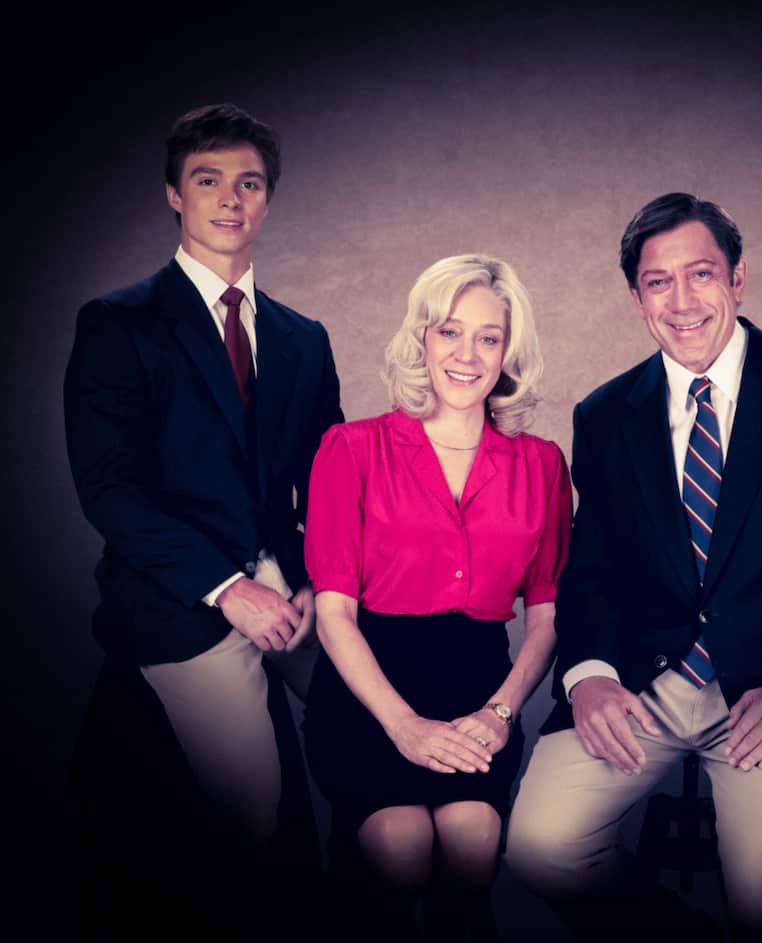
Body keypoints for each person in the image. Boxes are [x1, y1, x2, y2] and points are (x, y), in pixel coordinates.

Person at [506, 192, 762, 938]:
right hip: (639, 683)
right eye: (659, 282)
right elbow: (591, 566)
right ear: (637, 298)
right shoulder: (605, 414)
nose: (683, 300)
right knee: (539, 846)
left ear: (739, 279)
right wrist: (588, 672)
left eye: (702, 274)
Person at [63, 103, 343, 928]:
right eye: (208, 180)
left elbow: (328, 480)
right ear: (174, 197)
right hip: (182, 597)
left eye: (248, 183)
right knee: (257, 811)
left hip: (288, 585)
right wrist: (228, 588)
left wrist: (315, 581)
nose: (230, 199)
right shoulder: (119, 324)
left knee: (374, 720)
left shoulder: (302, 337)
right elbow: (108, 487)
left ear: (267, 201)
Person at [302, 254, 571, 936]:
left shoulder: (541, 463)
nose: (468, 353)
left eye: (488, 336)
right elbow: (333, 614)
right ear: (421, 338)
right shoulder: (350, 448)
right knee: (401, 846)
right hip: (370, 692)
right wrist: (404, 725)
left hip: (480, 689)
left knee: (474, 837)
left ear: (509, 350)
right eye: (449, 331)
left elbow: (545, 620)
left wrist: (500, 713)